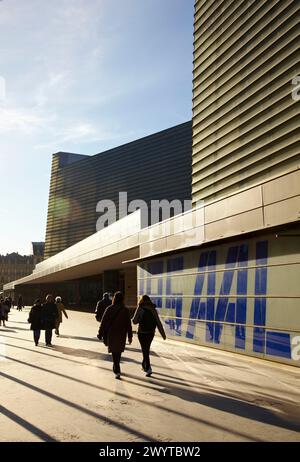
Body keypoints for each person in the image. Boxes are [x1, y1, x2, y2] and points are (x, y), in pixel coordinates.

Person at [98, 291, 132, 379]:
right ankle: (117, 367)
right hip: (121, 334)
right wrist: (130, 336)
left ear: (114, 299)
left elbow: (103, 322)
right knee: (119, 351)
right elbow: (129, 324)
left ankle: (116, 367)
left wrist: (100, 333)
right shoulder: (125, 310)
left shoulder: (109, 308)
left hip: (112, 333)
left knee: (114, 351)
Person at [132, 294, 166, 377]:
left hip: (142, 333)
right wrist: (163, 334)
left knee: (145, 350)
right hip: (150, 333)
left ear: (142, 300)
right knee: (146, 349)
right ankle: (144, 365)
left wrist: (139, 319)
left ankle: (148, 368)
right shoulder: (153, 309)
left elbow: (134, 321)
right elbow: (158, 322)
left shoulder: (140, 307)